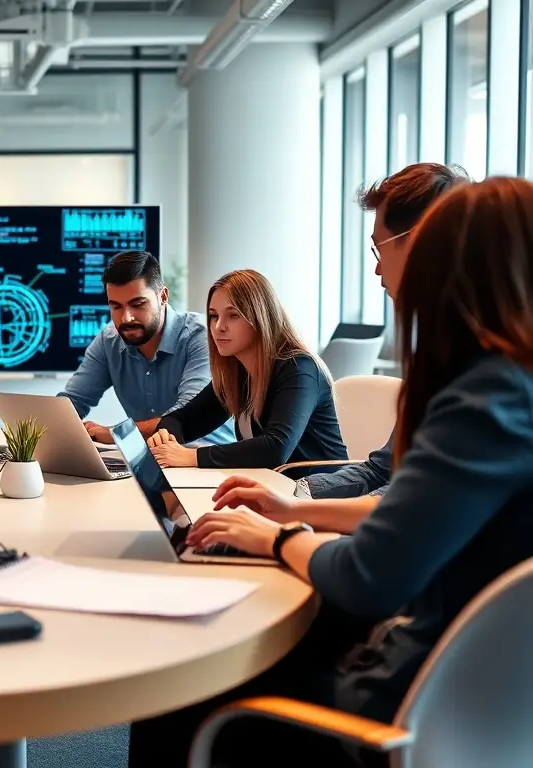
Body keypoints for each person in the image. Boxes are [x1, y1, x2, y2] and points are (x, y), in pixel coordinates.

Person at [129, 176, 533, 768]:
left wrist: (281, 537)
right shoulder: (506, 387)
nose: (379, 270)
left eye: (383, 249)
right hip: (469, 685)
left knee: (178, 678)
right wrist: (294, 510)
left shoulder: (483, 401)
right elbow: (404, 501)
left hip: (403, 699)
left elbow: (369, 575)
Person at [219, 163, 470, 531]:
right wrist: (296, 497)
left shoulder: (475, 369)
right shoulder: (437, 352)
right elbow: (382, 472)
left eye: (378, 249)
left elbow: (409, 510)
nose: (377, 271)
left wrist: (290, 527)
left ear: (419, 243)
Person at [146, 269, 347, 469]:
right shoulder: (239, 374)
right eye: (214, 316)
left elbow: (275, 449)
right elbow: (184, 419)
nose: (219, 327)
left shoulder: (299, 369)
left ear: (261, 317)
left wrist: (192, 457)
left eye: (233, 315)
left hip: (319, 486)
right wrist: (165, 436)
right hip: (270, 484)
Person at [59, 250, 233, 445]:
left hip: (206, 456)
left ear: (163, 296)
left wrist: (116, 434)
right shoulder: (109, 341)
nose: (126, 318)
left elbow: (186, 416)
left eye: (138, 304)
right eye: (116, 307)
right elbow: (71, 403)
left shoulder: (203, 336)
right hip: (150, 458)